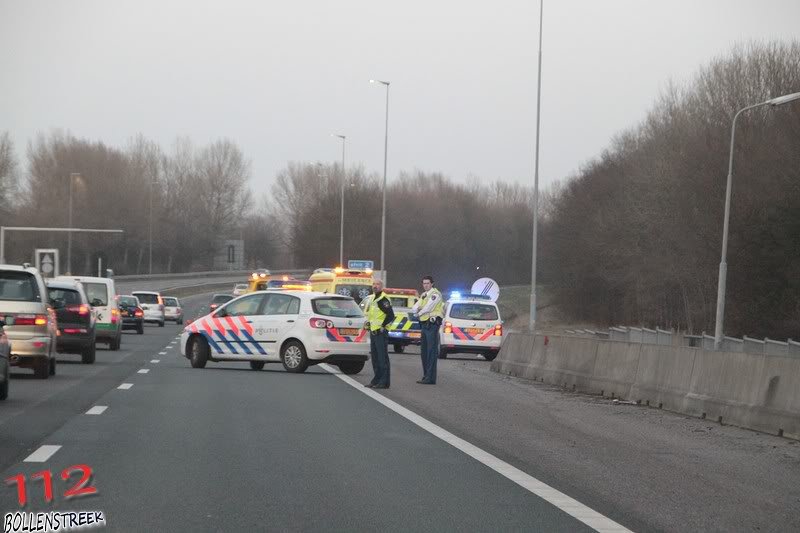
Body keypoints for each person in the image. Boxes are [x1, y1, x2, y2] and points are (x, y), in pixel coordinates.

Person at [411, 275, 444, 384]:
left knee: (431, 352)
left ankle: (430, 378)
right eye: (424, 283)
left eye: (427, 283)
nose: (425, 285)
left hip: (432, 325)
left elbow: (428, 307)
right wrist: (418, 311)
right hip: (424, 325)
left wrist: (418, 312)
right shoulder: (424, 295)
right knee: (424, 352)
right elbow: (414, 307)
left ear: (432, 284)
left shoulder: (435, 294)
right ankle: (426, 376)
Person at [364, 278, 394, 389]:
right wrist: (368, 324)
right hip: (373, 331)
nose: (375, 286)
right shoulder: (373, 298)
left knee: (382, 358)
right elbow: (372, 315)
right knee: (375, 358)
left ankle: (384, 382)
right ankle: (376, 380)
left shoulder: (383, 299)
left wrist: (383, 326)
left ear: (381, 286)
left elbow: (390, 315)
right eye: (373, 284)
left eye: (377, 284)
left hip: (381, 333)